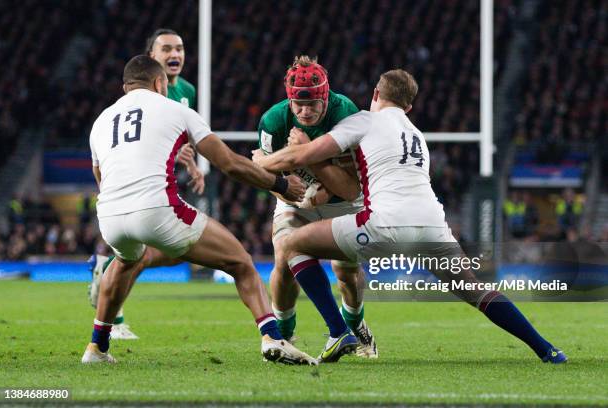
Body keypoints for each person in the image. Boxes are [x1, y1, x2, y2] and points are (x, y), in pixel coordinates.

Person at [253, 69, 567, 364]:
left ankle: (339, 331)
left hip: (384, 225)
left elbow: (301, 155)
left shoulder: (363, 121)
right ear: (410, 106)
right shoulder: (416, 134)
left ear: (375, 94)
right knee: (476, 291)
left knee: (293, 245)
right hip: (433, 227)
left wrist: (258, 164)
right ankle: (547, 350)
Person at [81, 55, 315, 366]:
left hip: (109, 216)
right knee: (240, 262)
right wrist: (282, 185)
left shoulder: (101, 121)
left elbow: (101, 178)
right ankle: (273, 337)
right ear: (160, 83)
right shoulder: (177, 110)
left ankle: (96, 349)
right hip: (157, 209)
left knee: (125, 262)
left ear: (125, 87)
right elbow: (230, 164)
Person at [257, 55, 377, 359]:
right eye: (299, 105)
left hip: (343, 201)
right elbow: (272, 179)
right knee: (283, 255)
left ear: (327, 96)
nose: (305, 111)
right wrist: (297, 194)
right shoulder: (273, 121)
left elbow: (351, 188)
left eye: (313, 105)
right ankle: (284, 334)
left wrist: (304, 153)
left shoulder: (345, 113)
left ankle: (355, 322)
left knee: (347, 274)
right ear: (289, 99)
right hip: (296, 200)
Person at [88, 29, 203, 340]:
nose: (175, 54)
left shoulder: (187, 91)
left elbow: (184, 134)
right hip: (138, 179)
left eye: (179, 48)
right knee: (142, 250)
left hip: (164, 176)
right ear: (151, 58)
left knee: (149, 253)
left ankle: (106, 270)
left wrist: (192, 164)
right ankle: (115, 318)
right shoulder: (135, 98)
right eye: (166, 49)